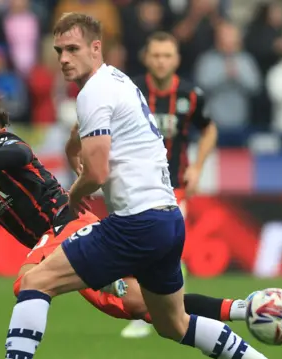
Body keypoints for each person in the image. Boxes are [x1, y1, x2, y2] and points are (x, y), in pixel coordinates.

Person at [0, 101, 249, 327]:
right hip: (67, 245)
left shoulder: (12, 151)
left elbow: (15, 152)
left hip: (71, 230)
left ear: (0, 131)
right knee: (146, 309)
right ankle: (243, 310)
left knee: (30, 280)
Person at [3, 12, 268, 359]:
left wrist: (75, 194)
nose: (64, 58)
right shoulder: (118, 80)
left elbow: (96, 173)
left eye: (72, 49)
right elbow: (83, 136)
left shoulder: (93, 93)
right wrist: (73, 151)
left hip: (134, 224)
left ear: (95, 48)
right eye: (58, 51)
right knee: (174, 324)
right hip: (169, 221)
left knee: (36, 281)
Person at [121, 31, 219, 339]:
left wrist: (199, 166)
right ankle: (152, 309)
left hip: (173, 184)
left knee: (164, 248)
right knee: (141, 249)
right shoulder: (129, 90)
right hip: (133, 184)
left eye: (167, 56)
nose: (161, 62)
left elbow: (209, 129)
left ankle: (162, 312)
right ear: (146, 58)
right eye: (156, 55)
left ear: (176, 60)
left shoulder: (190, 95)